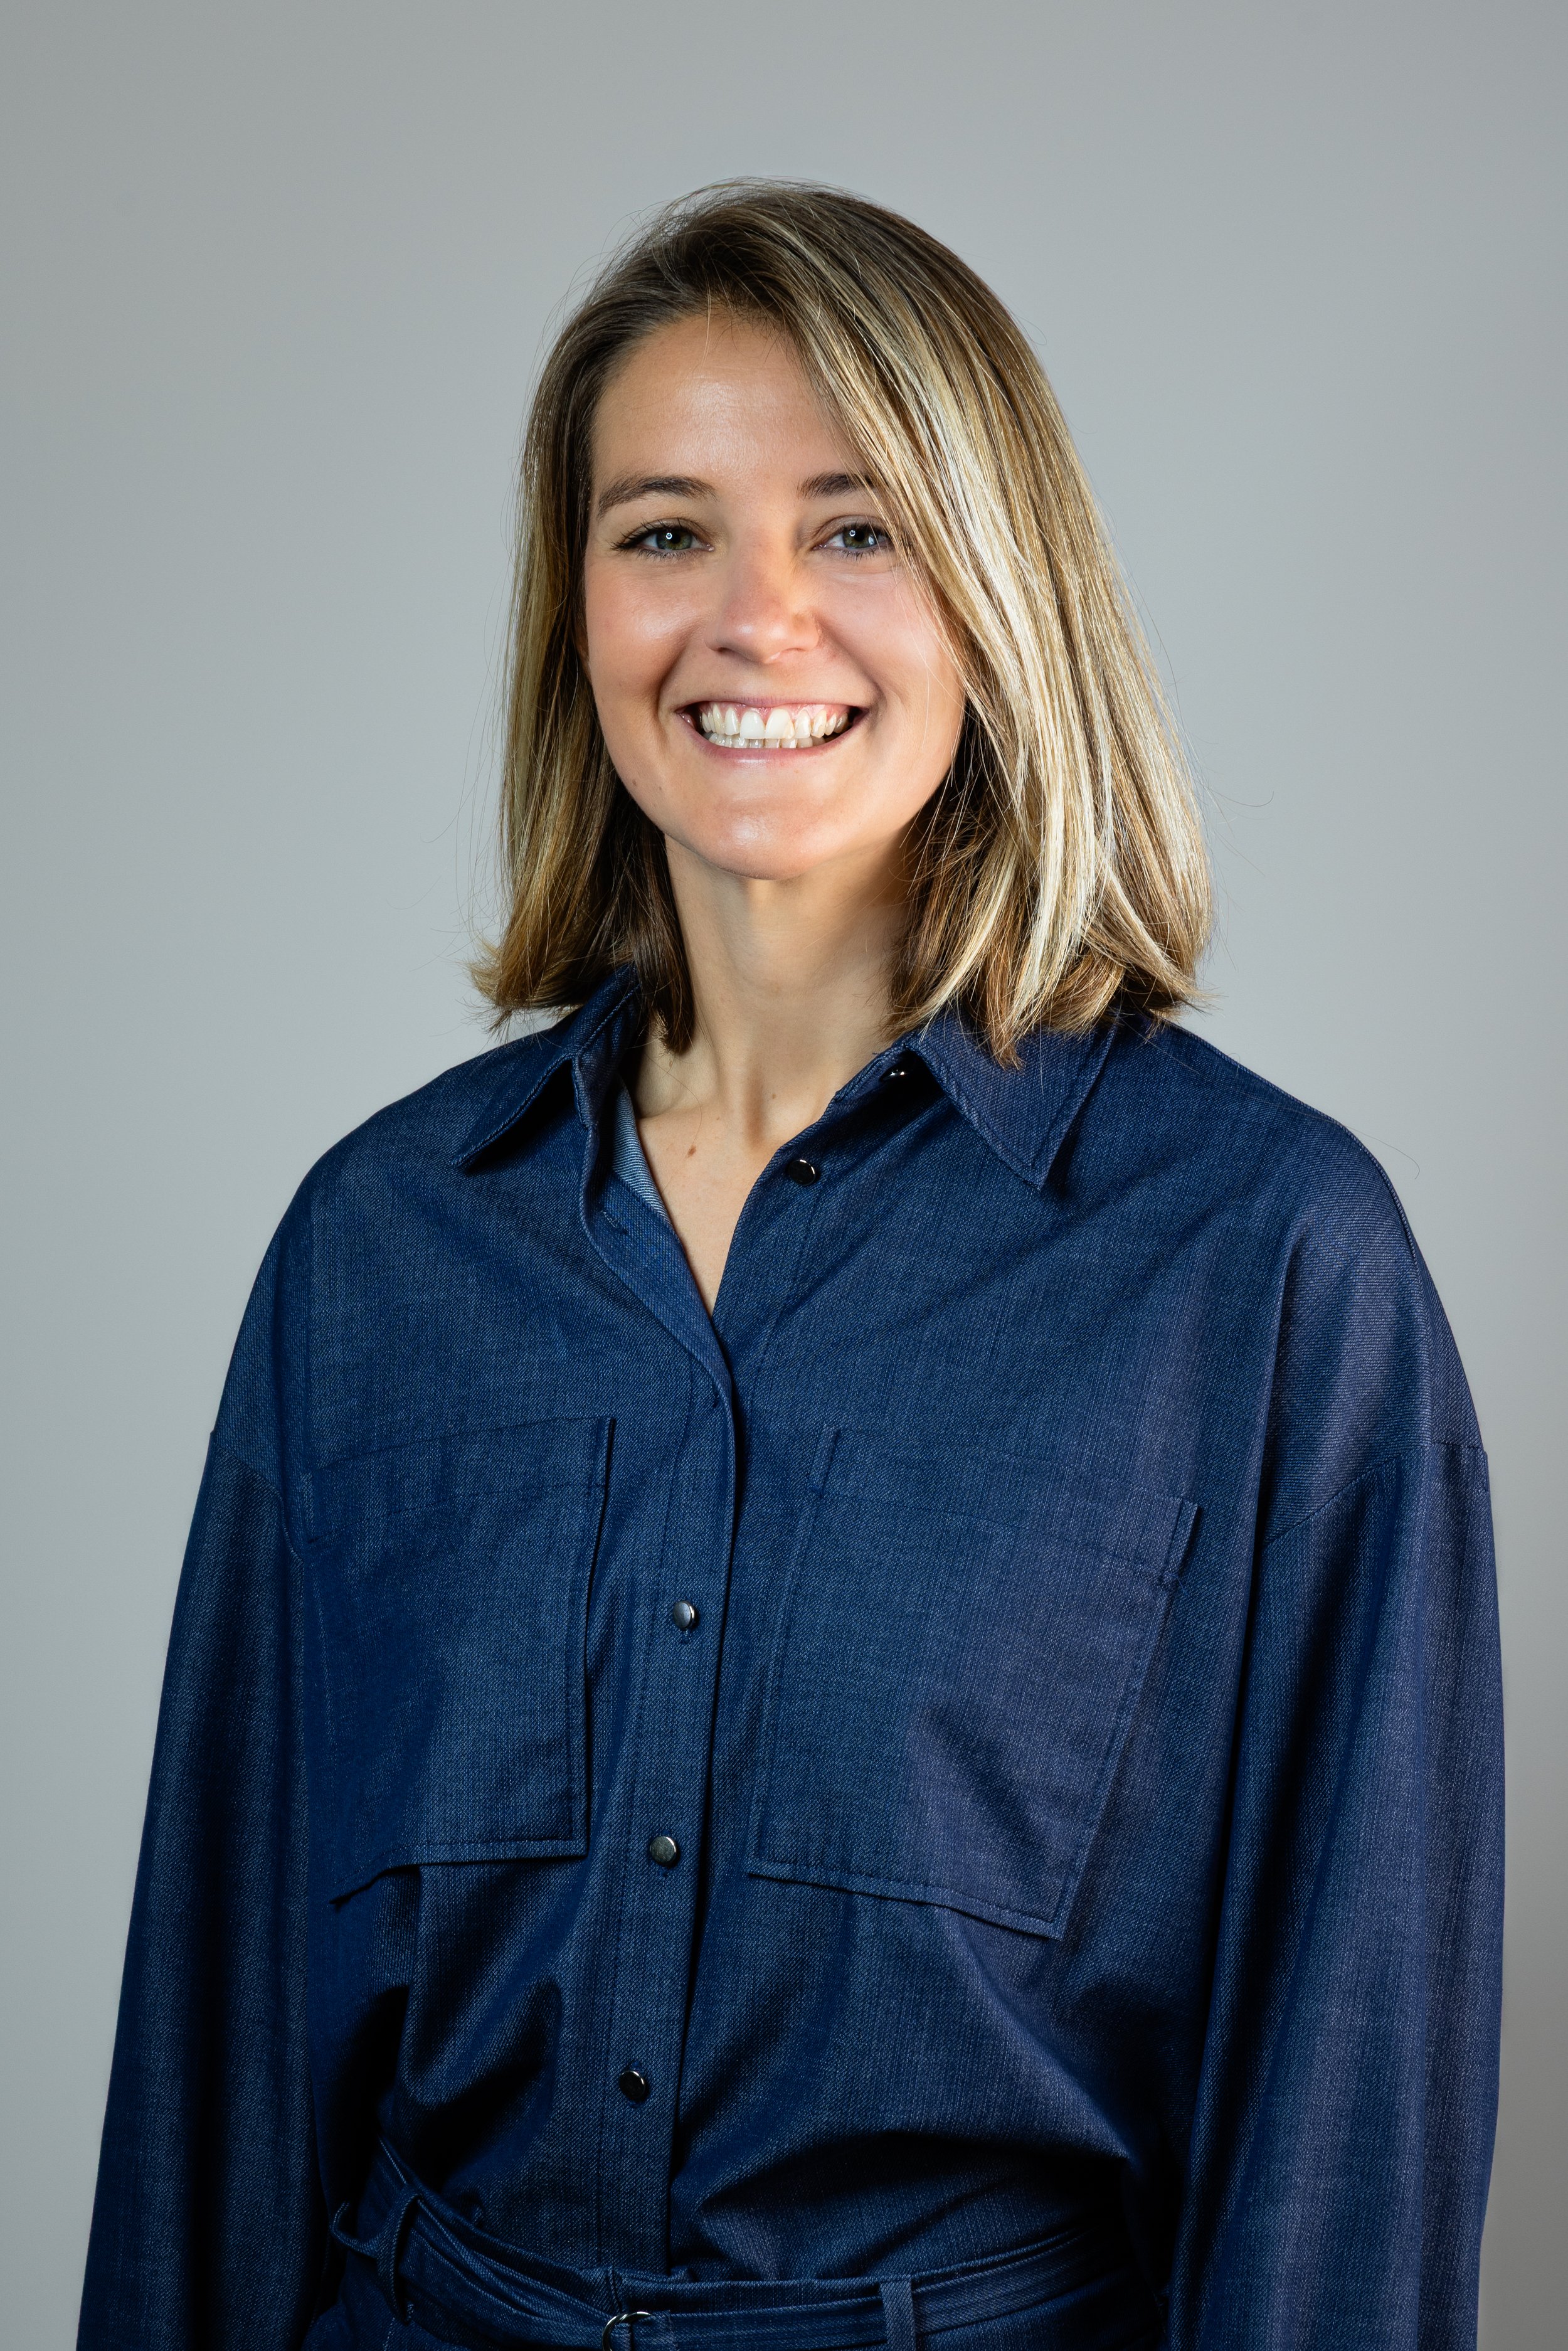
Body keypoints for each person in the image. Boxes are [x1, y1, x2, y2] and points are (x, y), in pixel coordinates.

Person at [78, 183, 1502, 2351]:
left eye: (855, 529)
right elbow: (218, 2057)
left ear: (997, 594)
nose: (756, 619)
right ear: (575, 610)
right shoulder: (377, 1251)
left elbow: (1346, 2119)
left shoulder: (1268, 1266)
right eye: (664, 530)